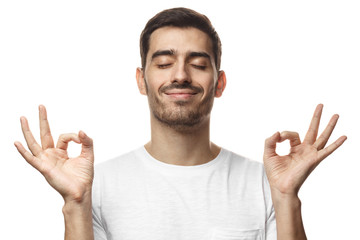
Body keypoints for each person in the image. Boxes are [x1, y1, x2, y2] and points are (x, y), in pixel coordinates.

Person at [14, 7, 347, 240]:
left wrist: (287, 197)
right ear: (141, 80)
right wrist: (74, 205)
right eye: (164, 62)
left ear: (220, 83)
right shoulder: (95, 187)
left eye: (198, 63)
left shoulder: (266, 185)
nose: (180, 75)